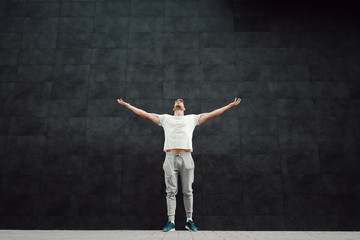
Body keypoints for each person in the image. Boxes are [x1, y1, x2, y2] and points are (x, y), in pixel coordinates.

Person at [116, 97, 241, 232]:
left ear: (184, 107)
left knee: (188, 191)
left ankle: (189, 220)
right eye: (176, 102)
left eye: (181, 102)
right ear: (174, 107)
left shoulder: (192, 118)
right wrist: (128, 106)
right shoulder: (165, 119)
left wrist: (229, 106)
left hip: (186, 157)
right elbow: (145, 114)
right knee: (171, 192)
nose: (178, 102)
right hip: (170, 157)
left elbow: (211, 114)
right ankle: (171, 222)